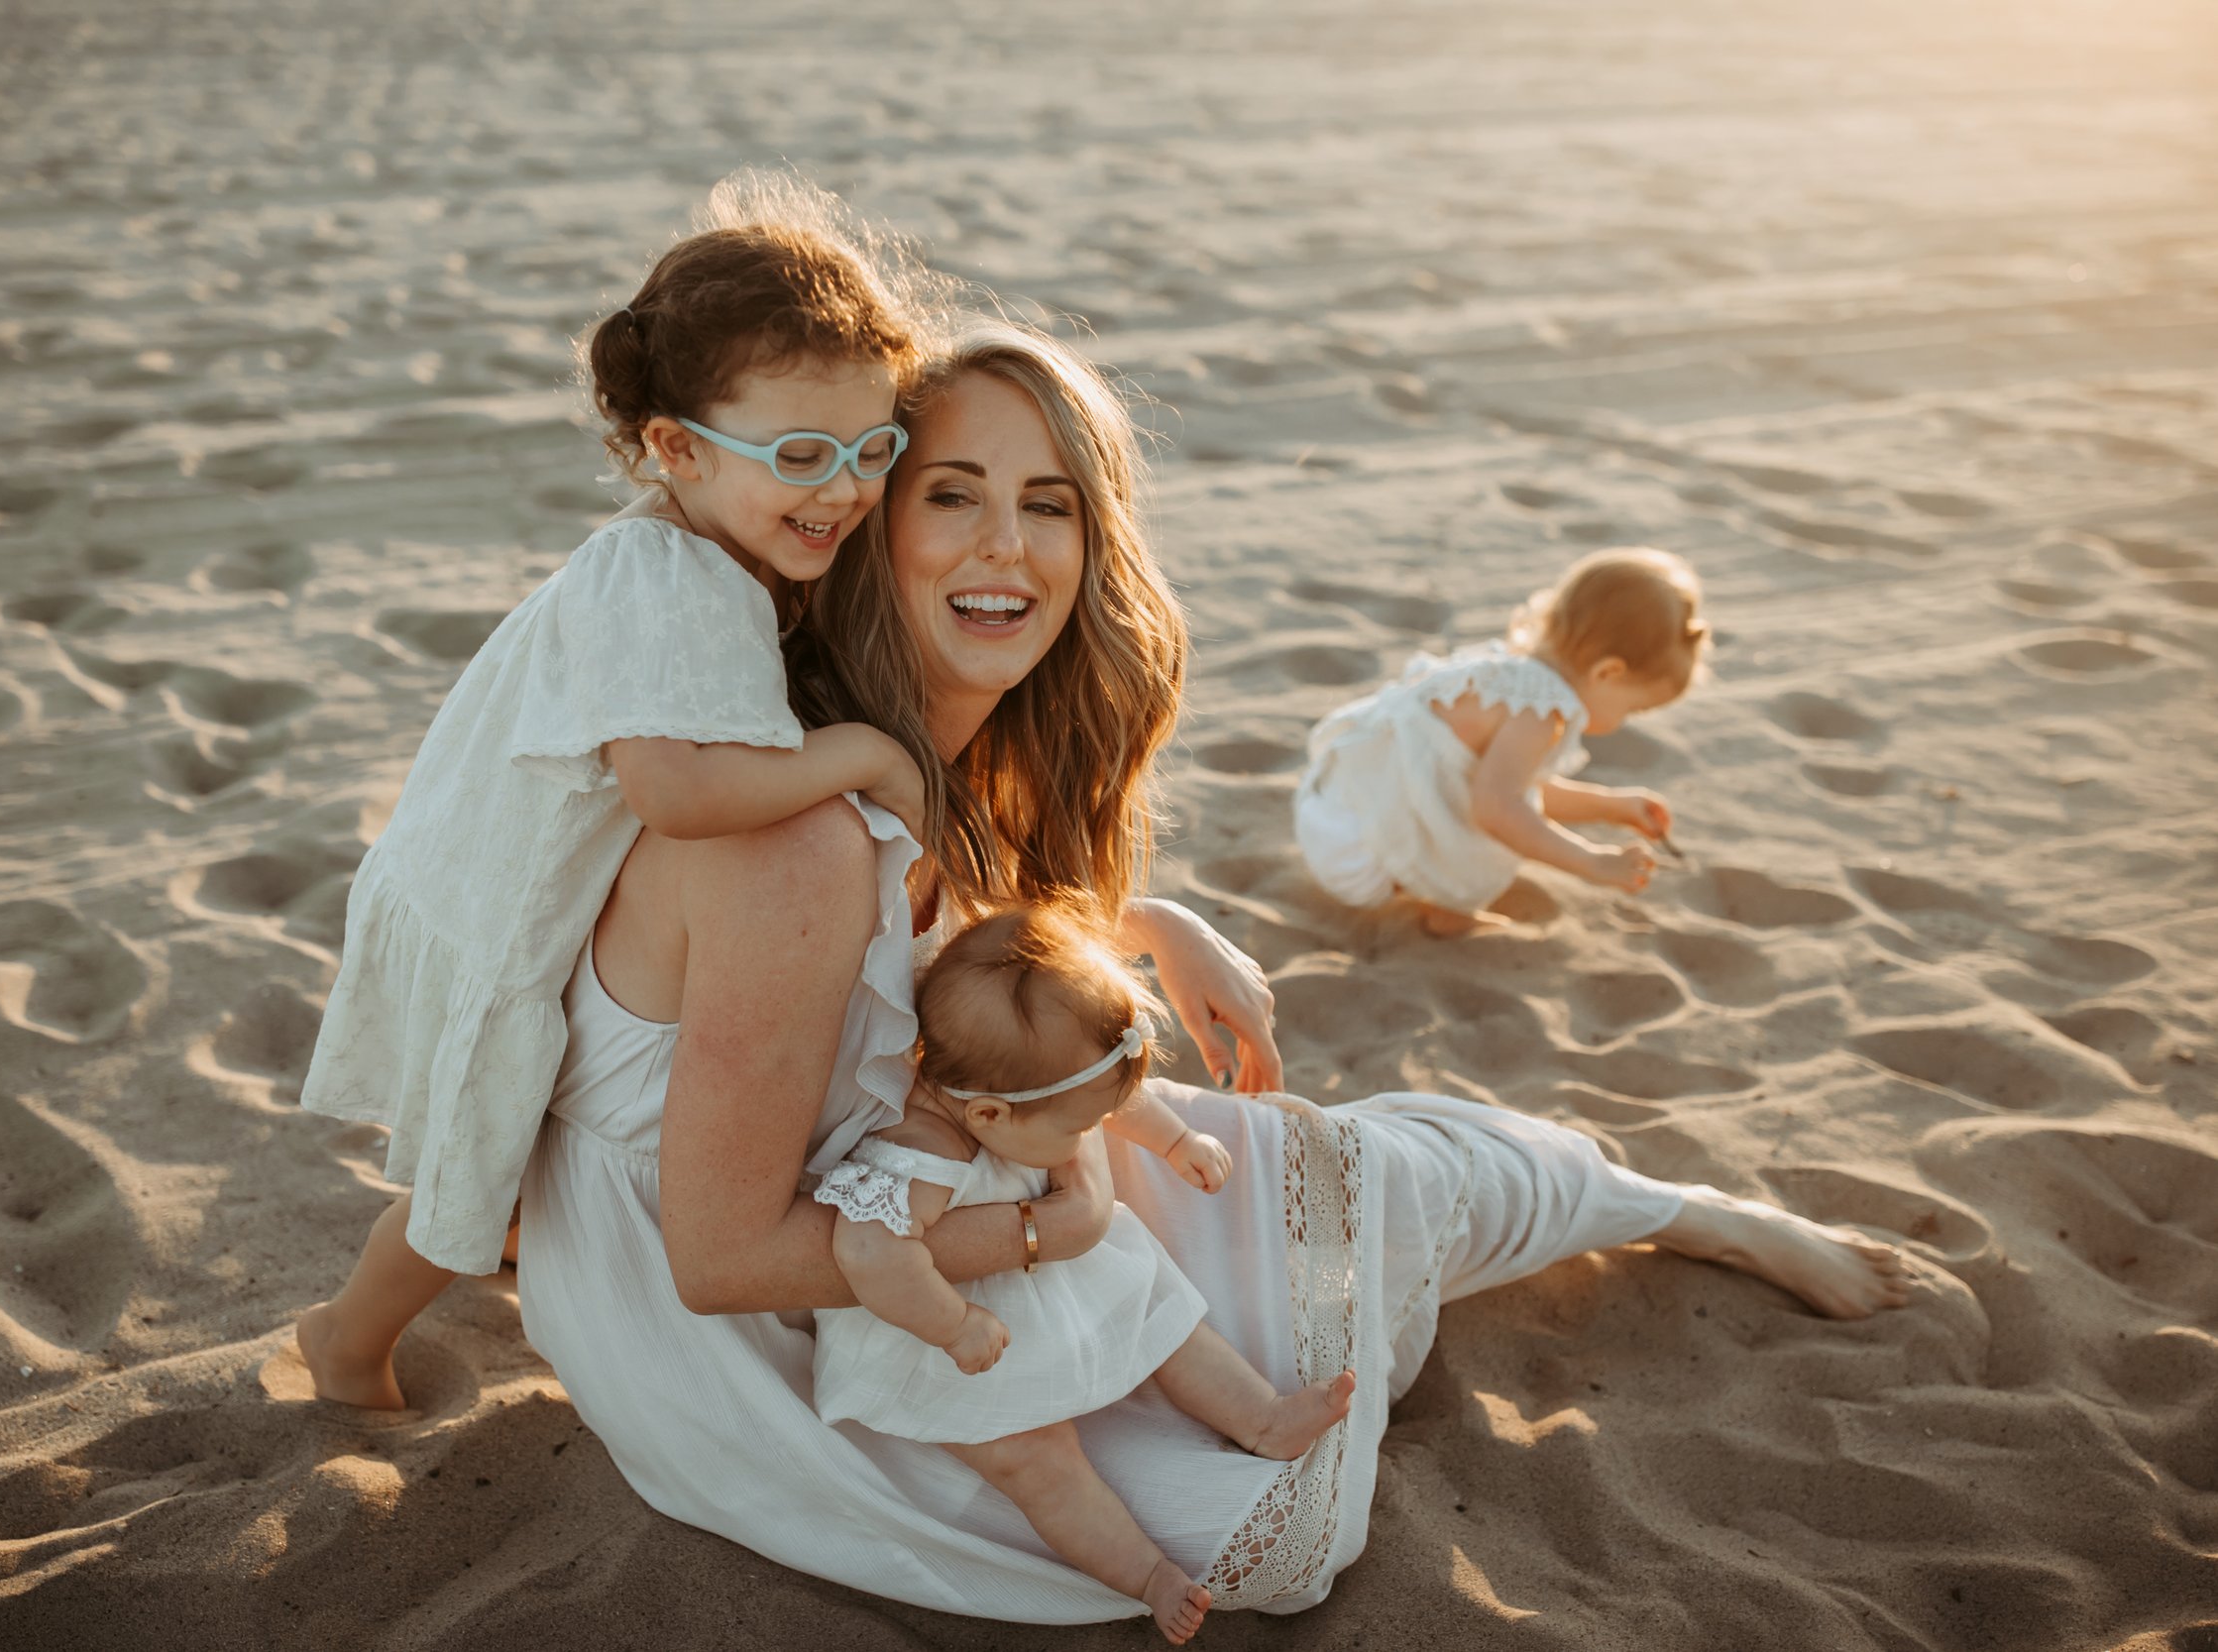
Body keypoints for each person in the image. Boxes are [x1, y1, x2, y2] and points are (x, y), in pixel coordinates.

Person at [512, 316, 1916, 1627]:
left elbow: (946, 934)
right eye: (953, 493)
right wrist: (1045, 1236)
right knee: (1281, 1534)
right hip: (785, 1317)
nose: (1007, 543)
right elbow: (720, 1252)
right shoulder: (791, 828)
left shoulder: (930, 746)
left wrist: (1144, 919)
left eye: (1051, 501)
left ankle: (1686, 1209)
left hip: (942, 1188)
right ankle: (1551, 1230)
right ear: (869, 523)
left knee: (1379, 1178)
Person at [293, 174, 941, 1409]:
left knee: (508, 1164)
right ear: (674, 447)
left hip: (528, 891)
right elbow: (681, 787)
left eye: (872, 448)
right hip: (501, 914)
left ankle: (519, 1261)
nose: (844, 489)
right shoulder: (663, 577)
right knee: (460, 1193)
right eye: (799, 454)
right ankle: (348, 1337)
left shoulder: (717, 553)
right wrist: (865, 754)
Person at [813, 905, 1358, 1644]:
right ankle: (1145, 1573)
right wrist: (953, 1323)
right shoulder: (922, 1152)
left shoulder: (1019, 1084)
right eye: (1071, 1130)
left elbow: (1102, 1101)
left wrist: (1175, 1140)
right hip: (948, 1332)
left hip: (1042, 1272)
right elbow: (870, 1250)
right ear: (991, 1115)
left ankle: (1263, 1417)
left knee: (1163, 1316)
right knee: (1034, 1458)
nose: (1082, 1141)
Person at [1293, 547, 1707, 936]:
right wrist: (1592, 862)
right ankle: (1449, 910)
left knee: (1487, 804)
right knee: (1504, 828)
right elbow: (1498, 808)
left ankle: (1437, 893)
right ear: (1607, 673)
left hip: (1333, 813)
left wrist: (1612, 807)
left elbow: (1513, 782)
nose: (1621, 723)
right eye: (1631, 710)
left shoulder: (1507, 673)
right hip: (1363, 858)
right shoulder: (1542, 711)